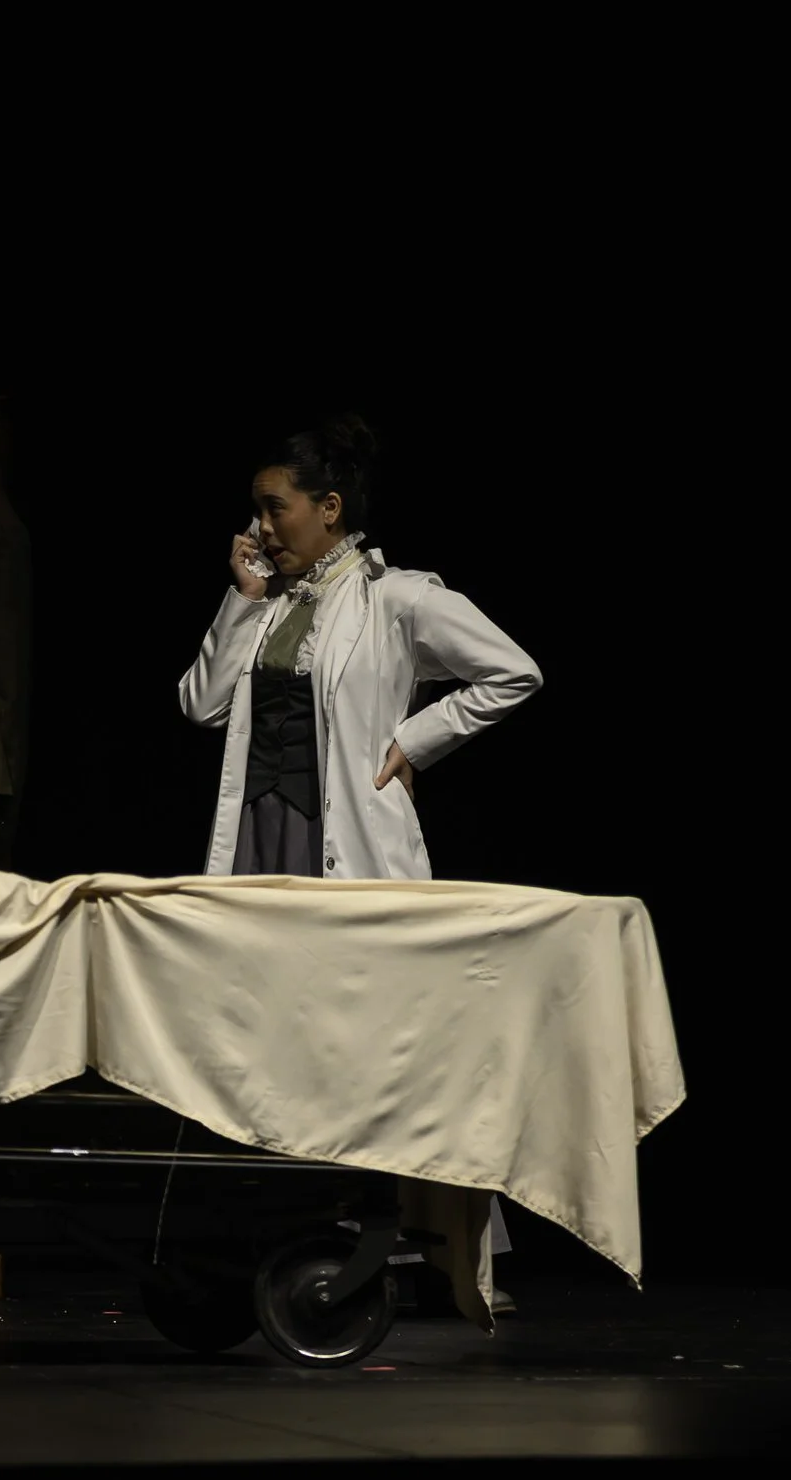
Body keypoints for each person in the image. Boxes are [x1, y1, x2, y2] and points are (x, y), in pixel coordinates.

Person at [177, 414, 540, 1310]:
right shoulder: (266, 605)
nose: (261, 526)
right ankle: (301, 1236)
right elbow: (202, 706)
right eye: (257, 509)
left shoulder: (397, 598)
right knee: (280, 1054)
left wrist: (415, 738)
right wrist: (240, 597)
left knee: (386, 1055)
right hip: (261, 856)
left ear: (330, 507)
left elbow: (513, 671)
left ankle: (427, 1250)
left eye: (276, 507)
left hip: (347, 854)